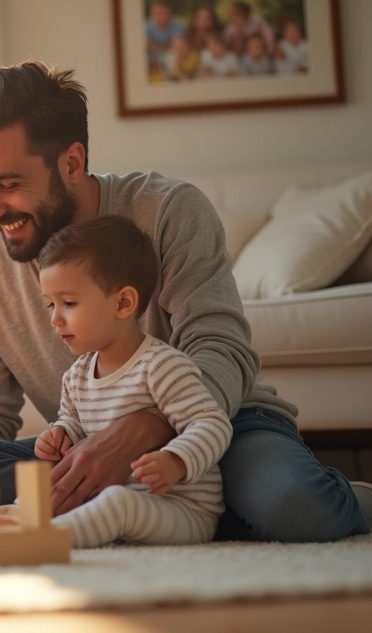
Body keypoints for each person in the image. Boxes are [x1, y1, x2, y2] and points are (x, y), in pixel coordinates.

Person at [0, 61, 372, 543]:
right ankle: (193, 515)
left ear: (72, 162)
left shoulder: (168, 212)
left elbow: (221, 347)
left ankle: (333, 499)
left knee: (297, 508)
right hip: (87, 441)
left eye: (7, 184)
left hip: (217, 423)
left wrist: (139, 431)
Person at [35, 216, 232, 547]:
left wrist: (176, 460)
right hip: (119, 498)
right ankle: (17, 523)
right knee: (41, 494)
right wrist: (60, 436)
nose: (55, 318)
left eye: (68, 303)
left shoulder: (161, 365)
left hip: (182, 509)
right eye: (51, 304)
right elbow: (75, 425)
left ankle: (44, 541)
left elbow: (212, 424)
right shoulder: (77, 376)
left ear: (123, 303)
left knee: (117, 505)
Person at [145, 0, 186, 77]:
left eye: (164, 13)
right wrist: (168, 45)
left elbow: (179, 46)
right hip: (152, 59)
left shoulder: (178, 25)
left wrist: (154, 45)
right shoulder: (146, 26)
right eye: (157, 13)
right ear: (152, 13)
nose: (161, 16)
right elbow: (145, 44)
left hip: (173, 58)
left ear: (170, 14)